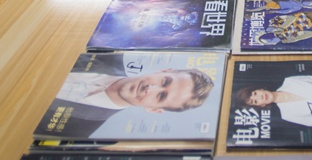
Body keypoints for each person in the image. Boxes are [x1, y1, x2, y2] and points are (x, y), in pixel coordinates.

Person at [41, 53, 215, 138]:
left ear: (154, 109)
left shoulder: (78, 132)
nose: (151, 88)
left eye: (161, 96)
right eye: (164, 81)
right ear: (163, 71)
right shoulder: (106, 52)